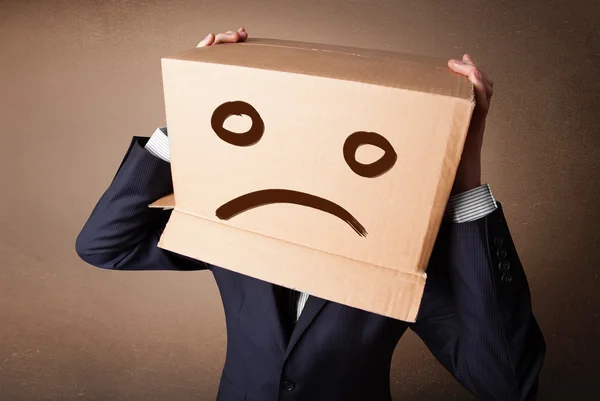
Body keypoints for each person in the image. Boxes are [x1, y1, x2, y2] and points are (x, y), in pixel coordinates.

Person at [75, 27, 546, 401]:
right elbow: (105, 245)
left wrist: (465, 178)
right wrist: (193, 110)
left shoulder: (402, 253)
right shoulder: (235, 220)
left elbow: (503, 383)